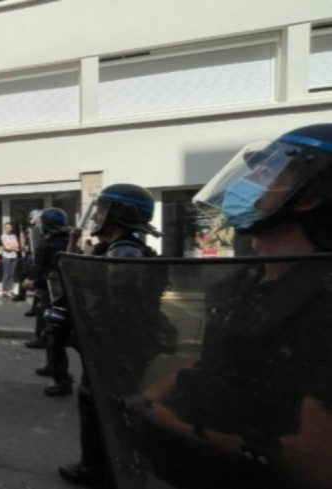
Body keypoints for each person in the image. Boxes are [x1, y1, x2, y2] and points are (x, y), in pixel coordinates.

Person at [139, 124, 332, 489]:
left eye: (269, 171)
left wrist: (174, 424)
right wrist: (160, 389)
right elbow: (221, 357)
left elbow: (313, 456)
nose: (251, 178)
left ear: (308, 197)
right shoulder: (243, 280)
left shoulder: (322, 298)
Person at [59, 184, 163, 488]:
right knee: (99, 408)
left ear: (120, 214)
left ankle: (102, 471)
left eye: (103, 210)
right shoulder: (115, 248)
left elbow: (117, 311)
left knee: (103, 410)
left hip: (115, 350)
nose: (98, 215)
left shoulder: (124, 254)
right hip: (112, 348)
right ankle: (99, 467)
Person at [22, 208, 74, 396]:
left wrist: (34, 283)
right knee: (47, 333)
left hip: (57, 297)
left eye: (42, 222)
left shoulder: (59, 244)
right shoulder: (54, 241)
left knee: (55, 337)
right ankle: (52, 366)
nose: (39, 225)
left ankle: (62, 381)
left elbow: (56, 275)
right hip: (48, 295)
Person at [0, 222, 20, 297]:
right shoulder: (3, 236)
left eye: (9, 227)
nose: (8, 229)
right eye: (6, 227)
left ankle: (9, 290)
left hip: (14, 257)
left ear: (11, 228)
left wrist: (10, 246)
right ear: (4, 229)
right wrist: (13, 247)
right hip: (6, 257)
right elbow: (6, 247)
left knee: (12, 274)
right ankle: (4, 291)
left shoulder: (14, 236)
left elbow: (17, 246)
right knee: (6, 274)